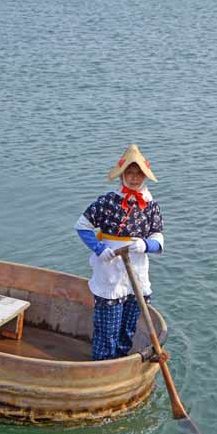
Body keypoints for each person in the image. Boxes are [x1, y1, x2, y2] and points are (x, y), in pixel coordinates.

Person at [75, 144, 164, 361]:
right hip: (110, 269)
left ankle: (121, 362)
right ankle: (102, 365)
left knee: (128, 325)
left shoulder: (151, 205)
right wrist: (99, 248)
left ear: (144, 176)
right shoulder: (107, 201)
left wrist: (146, 245)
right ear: (122, 175)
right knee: (107, 328)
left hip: (137, 272)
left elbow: (159, 238)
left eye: (138, 174)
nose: (134, 178)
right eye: (130, 173)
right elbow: (82, 226)